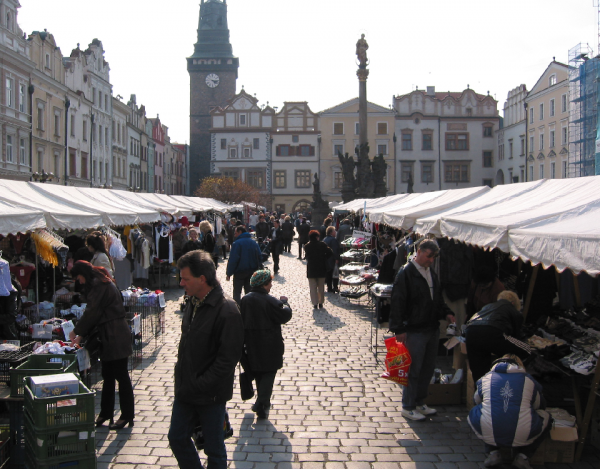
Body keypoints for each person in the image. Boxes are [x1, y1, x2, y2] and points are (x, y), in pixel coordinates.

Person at [168, 250, 244, 469]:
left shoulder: (227, 310)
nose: (181, 283)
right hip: (186, 389)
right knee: (177, 438)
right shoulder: (193, 301)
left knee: (214, 449)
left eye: (185, 278)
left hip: (210, 394)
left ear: (202, 279)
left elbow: (228, 360)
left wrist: (201, 384)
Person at [389, 240, 456, 421]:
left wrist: (447, 313)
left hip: (431, 327)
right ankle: (408, 405)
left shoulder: (430, 272)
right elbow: (398, 302)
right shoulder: (406, 273)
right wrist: (399, 329)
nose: (431, 260)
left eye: (434, 257)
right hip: (414, 328)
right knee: (413, 369)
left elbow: (437, 299)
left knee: (427, 368)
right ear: (419, 252)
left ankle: (420, 401)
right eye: (429, 256)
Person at [68, 261, 134, 430]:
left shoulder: (99, 285)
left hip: (114, 334)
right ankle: (106, 413)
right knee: (108, 375)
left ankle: (126, 415)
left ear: (83, 274)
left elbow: (92, 312)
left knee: (120, 375)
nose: (79, 282)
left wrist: (77, 331)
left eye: (79, 278)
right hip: (110, 333)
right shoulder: (100, 279)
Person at [468, 354, 552, 469]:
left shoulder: (486, 378)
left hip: (490, 426)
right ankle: (523, 456)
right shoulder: (529, 380)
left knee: (483, 411)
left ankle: (493, 453)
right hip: (524, 430)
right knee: (547, 417)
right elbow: (539, 405)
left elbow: (476, 400)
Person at [240, 270, 292, 419]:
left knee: (258, 372)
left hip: (251, 342)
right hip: (270, 342)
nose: (271, 285)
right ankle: (261, 402)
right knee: (269, 372)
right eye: (269, 282)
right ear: (263, 284)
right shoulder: (270, 300)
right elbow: (284, 315)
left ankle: (264, 404)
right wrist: (285, 303)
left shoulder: (245, 299)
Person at [465, 290, 532, 383]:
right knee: (526, 349)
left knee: (479, 372)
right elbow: (516, 336)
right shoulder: (512, 309)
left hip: (471, 331)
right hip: (494, 330)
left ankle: (481, 392)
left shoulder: (488, 306)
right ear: (513, 303)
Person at [226, 226, 263, 305]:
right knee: (249, 292)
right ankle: (249, 308)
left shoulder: (237, 243)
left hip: (239, 272)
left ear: (240, 232)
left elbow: (233, 260)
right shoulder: (253, 242)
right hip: (251, 271)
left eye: (235, 233)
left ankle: (237, 309)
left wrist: (229, 273)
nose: (235, 235)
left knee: (237, 292)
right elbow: (260, 256)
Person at [303, 230, 332, 309]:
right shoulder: (322, 245)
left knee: (313, 288)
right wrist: (324, 258)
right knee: (321, 287)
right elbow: (330, 252)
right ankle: (320, 302)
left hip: (311, 269)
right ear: (317, 237)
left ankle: (315, 303)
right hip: (321, 268)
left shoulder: (307, 246)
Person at [323, 226, 340, 293]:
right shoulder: (333, 240)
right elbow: (335, 250)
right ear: (331, 232)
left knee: (328, 274)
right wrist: (336, 258)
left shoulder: (325, 239)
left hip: (326, 259)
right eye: (334, 231)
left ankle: (329, 287)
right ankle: (335, 287)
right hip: (332, 259)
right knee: (334, 274)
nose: (335, 232)